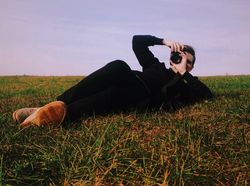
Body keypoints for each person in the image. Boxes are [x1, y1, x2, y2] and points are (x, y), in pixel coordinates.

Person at [13, 35, 213, 128]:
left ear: (191, 67)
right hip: (126, 79)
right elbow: (137, 41)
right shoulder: (155, 66)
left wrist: (183, 73)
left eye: (189, 62)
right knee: (118, 66)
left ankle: (46, 117)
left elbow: (207, 95)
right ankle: (50, 106)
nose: (183, 62)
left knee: (107, 98)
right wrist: (164, 42)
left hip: (138, 95)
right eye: (180, 57)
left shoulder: (185, 87)